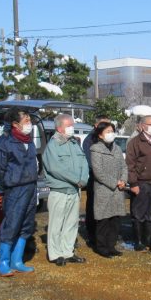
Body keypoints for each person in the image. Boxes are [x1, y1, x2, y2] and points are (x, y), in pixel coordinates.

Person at [0, 107, 39, 277]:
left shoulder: (29, 141)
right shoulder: (4, 143)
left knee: (26, 224)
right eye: (26, 121)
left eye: (29, 120)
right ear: (15, 124)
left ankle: (17, 260)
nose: (29, 124)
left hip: (30, 187)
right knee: (11, 224)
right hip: (14, 189)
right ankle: (3, 262)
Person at [42, 114, 89, 266]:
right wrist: (77, 179)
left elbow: (83, 162)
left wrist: (83, 179)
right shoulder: (53, 145)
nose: (72, 128)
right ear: (59, 127)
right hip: (60, 191)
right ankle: (55, 254)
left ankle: (68, 252)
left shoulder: (74, 143)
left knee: (71, 223)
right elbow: (55, 168)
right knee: (56, 224)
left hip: (75, 190)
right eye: (69, 125)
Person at [126, 115, 151, 252]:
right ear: (143, 126)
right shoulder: (135, 143)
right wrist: (133, 183)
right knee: (139, 214)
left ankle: (149, 241)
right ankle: (139, 242)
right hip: (142, 183)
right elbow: (130, 165)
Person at [89, 122, 127, 258]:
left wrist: (123, 180)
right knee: (103, 220)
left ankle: (111, 245)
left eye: (112, 131)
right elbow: (98, 172)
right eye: (108, 131)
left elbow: (124, 166)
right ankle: (102, 247)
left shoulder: (116, 148)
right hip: (104, 190)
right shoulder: (95, 149)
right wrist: (114, 182)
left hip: (118, 190)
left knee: (115, 220)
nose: (111, 134)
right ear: (100, 135)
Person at [82, 115, 110, 247]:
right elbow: (92, 162)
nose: (107, 127)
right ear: (96, 125)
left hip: (107, 180)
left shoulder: (108, 139)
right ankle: (92, 235)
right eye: (103, 124)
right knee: (93, 208)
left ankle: (104, 235)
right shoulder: (90, 140)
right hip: (95, 179)